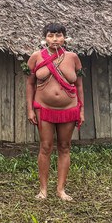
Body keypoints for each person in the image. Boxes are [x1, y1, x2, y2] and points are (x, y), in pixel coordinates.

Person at [26, 23, 85, 201]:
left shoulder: (73, 58)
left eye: (58, 35)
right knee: (45, 147)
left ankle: (61, 190)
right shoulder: (36, 57)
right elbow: (30, 84)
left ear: (64, 38)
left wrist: (81, 110)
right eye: (51, 36)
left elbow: (79, 85)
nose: (55, 39)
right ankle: (43, 190)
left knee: (64, 147)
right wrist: (30, 109)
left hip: (68, 109)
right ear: (45, 38)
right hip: (44, 108)